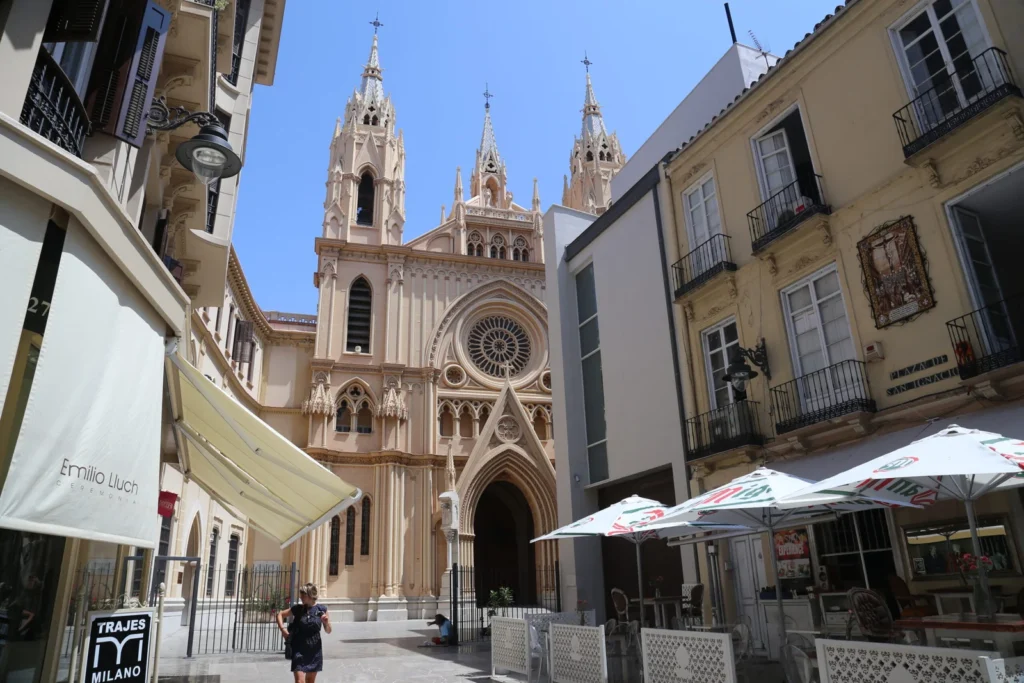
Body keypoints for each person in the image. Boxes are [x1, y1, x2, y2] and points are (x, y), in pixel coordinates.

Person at [276, 584, 331, 682]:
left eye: (303, 595)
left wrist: (326, 623)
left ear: (310, 596)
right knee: (299, 681)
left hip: (314, 650)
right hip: (299, 648)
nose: (300, 597)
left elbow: (328, 631)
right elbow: (280, 614)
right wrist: (282, 629)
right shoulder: (298, 609)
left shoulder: (322, 610)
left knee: (310, 680)